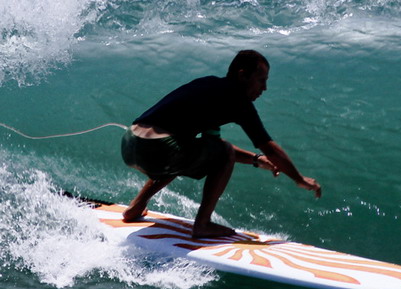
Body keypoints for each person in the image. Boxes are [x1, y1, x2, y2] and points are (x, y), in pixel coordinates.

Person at [120, 49, 321, 238]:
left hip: (131, 143)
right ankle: (203, 224)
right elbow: (266, 146)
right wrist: (299, 178)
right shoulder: (239, 101)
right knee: (205, 151)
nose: (264, 88)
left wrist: (257, 160)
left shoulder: (209, 84)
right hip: (159, 150)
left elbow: (212, 146)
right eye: (261, 81)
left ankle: (136, 206)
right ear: (243, 75)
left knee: (189, 148)